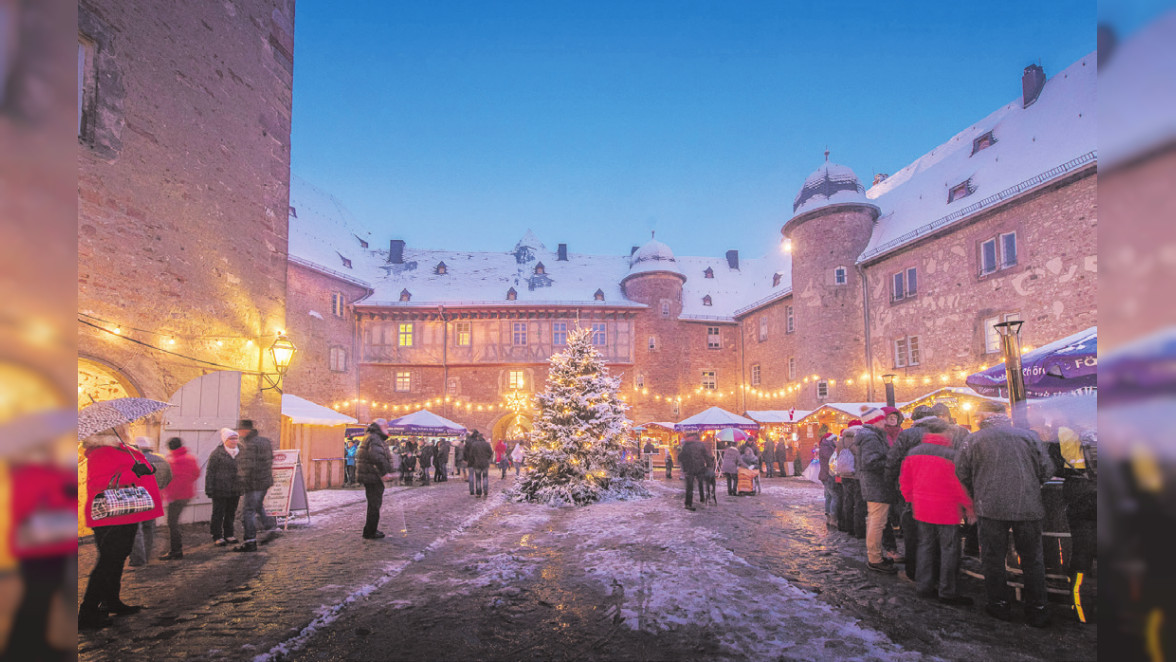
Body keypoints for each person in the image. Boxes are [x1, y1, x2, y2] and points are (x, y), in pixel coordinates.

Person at [956, 401, 1054, 627]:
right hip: (1028, 506)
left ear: (982, 416)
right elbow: (1047, 469)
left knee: (993, 558)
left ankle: (999, 605)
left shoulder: (973, 440)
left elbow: (961, 472)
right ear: (1005, 415)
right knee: (1032, 560)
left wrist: (977, 490)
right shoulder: (1029, 437)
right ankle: (1038, 609)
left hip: (990, 507)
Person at [78, 428, 164, 630]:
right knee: (107, 562)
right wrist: (132, 472)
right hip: (110, 514)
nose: (126, 428)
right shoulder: (100, 452)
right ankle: (87, 613)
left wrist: (145, 468)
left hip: (126, 511)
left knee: (117, 558)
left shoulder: (121, 449)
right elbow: (98, 482)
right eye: (124, 426)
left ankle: (112, 601)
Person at [900, 432, 975, 606]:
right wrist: (969, 506)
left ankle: (924, 587)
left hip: (922, 508)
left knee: (925, 547)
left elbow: (905, 480)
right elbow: (958, 486)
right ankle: (947, 591)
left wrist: (910, 498)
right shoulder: (951, 455)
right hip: (946, 510)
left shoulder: (913, 452)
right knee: (949, 550)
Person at [886, 405, 954, 582]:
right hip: (943, 489)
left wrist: (891, 483)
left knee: (914, 533)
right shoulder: (947, 431)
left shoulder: (908, 434)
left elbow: (893, 460)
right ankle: (939, 574)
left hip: (913, 489)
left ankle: (914, 572)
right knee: (940, 535)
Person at [857, 409, 899, 574]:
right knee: (877, 522)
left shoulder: (871, 436)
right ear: (875, 421)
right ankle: (875, 559)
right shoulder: (871, 437)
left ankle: (876, 556)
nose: (885, 422)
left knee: (876, 521)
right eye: (882, 419)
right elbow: (870, 462)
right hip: (876, 485)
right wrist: (891, 461)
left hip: (875, 485)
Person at [234, 419, 276, 553]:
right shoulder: (265, 441)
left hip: (254, 482)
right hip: (265, 481)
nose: (239, 433)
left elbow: (247, 466)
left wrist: (241, 481)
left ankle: (250, 541)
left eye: (240, 430)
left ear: (246, 430)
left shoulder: (249, 445)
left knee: (248, 511)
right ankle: (270, 527)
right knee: (257, 506)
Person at [128, 438, 171, 567]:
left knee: (136, 529)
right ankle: (146, 555)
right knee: (149, 528)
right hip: (154, 497)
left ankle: (138, 559)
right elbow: (169, 478)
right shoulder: (162, 460)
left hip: (138, 498)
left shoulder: (134, 460)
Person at [158, 437, 200, 561]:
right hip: (187, 495)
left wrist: (168, 495)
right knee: (174, 522)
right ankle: (176, 549)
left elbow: (167, 481)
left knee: (172, 523)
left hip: (175, 496)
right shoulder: (191, 458)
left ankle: (176, 550)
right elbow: (196, 474)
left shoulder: (170, 461)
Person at [356, 419, 394, 539]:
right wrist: (384, 472)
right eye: (386, 425)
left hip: (370, 475)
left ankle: (370, 529)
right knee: (374, 504)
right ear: (380, 426)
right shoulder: (375, 438)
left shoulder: (372, 437)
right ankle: (370, 531)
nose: (388, 427)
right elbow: (377, 457)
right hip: (372, 476)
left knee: (374, 504)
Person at [206, 428, 243, 547]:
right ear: (225, 440)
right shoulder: (217, 454)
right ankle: (217, 535)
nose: (234, 441)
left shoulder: (241, 452)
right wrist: (209, 488)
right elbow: (210, 472)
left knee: (230, 512)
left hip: (235, 488)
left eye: (235, 438)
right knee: (218, 513)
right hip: (220, 488)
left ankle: (229, 534)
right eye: (231, 439)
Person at [677, 433, 709, 511]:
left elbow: (705, 455)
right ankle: (689, 503)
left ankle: (698, 500)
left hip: (696, 468)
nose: (688, 438)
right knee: (691, 486)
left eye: (689, 437)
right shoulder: (687, 446)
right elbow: (681, 457)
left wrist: (708, 465)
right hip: (692, 468)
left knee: (694, 485)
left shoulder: (688, 446)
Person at [818, 433, 839, 528]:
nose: (836, 441)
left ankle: (829, 517)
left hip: (825, 475)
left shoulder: (825, 446)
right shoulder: (827, 447)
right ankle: (833, 518)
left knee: (829, 496)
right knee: (834, 496)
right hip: (828, 475)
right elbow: (831, 459)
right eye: (834, 439)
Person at [464, 430, 493, 497]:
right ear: (483, 437)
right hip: (485, 463)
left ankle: (478, 492)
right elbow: (491, 453)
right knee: (485, 477)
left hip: (477, 464)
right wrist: (487, 458)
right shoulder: (487, 444)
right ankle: (485, 490)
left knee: (478, 478)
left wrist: (473, 461)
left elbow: (471, 455)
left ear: (477, 438)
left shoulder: (474, 444)